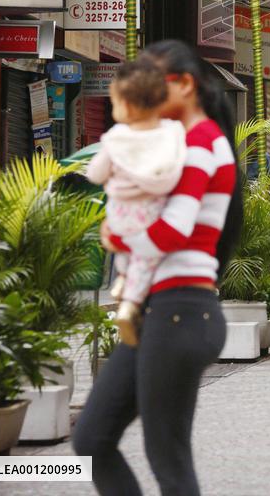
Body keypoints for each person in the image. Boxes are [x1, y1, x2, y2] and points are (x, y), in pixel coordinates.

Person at [73, 40, 243, 495]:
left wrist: (116, 238)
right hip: (162, 311)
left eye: (153, 82)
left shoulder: (202, 142)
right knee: (92, 438)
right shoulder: (176, 143)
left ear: (185, 85)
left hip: (180, 310)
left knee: (166, 457)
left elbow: (174, 228)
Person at [86, 60, 187, 346]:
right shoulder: (171, 133)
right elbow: (178, 170)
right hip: (153, 214)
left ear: (125, 107)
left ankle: (125, 290)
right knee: (146, 258)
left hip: (120, 214)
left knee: (127, 249)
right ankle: (131, 300)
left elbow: (94, 173)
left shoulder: (117, 138)